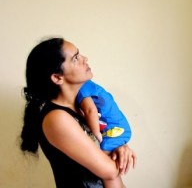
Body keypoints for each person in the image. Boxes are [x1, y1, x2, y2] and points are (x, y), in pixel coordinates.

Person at [20, 37, 136, 188]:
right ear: (57, 77)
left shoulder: (83, 108)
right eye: (75, 58)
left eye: (79, 54)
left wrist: (120, 146)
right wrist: (116, 153)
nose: (85, 59)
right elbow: (109, 172)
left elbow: (105, 159)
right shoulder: (57, 118)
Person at [77, 79, 132, 152]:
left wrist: (96, 135)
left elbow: (90, 111)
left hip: (113, 129)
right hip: (120, 127)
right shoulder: (89, 84)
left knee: (102, 155)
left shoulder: (80, 87)